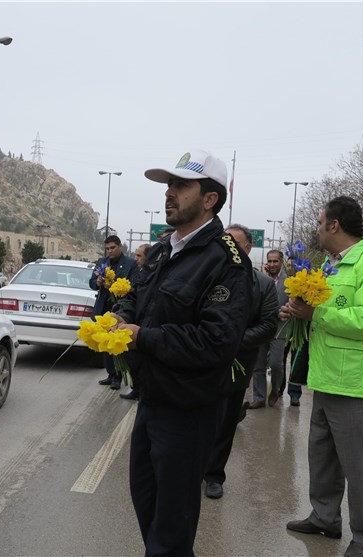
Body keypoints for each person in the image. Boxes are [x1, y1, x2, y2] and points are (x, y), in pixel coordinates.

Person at [113, 149, 252, 556]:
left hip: (188, 412)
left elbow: (216, 342)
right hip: (151, 400)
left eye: (180, 185)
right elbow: (134, 299)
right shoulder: (161, 252)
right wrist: (118, 322)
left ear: (209, 198)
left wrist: (143, 338)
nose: (168, 193)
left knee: (171, 528)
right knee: (148, 509)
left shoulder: (226, 262)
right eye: (168, 185)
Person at [282, 196, 363, 557]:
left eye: (320, 223)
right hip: (325, 376)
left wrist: (314, 315)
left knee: (358, 466)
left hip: (356, 383)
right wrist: (297, 312)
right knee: (322, 457)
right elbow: (321, 312)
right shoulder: (331, 267)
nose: (318, 229)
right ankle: (325, 517)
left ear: (334, 225)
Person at [204, 224, 277, 499]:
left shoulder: (263, 283)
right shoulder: (206, 276)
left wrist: (232, 342)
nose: (229, 248)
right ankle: (191, 467)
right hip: (202, 359)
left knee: (226, 419)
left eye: (235, 243)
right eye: (224, 242)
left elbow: (268, 325)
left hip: (238, 362)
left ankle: (214, 474)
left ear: (248, 248)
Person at [89, 235, 135, 390]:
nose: (110, 251)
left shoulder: (130, 263)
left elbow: (134, 287)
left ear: (120, 246)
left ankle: (118, 376)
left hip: (120, 310)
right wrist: (98, 282)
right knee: (105, 343)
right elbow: (91, 283)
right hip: (103, 309)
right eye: (107, 248)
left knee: (117, 344)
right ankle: (110, 374)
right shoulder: (102, 262)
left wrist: (116, 287)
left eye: (113, 248)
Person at [247, 249, 290, 409]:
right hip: (260, 327)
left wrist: (287, 309)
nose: (272, 264)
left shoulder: (290, 281)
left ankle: (276, 390)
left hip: (279, 329)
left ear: (281, 262)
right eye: (270, 261)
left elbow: (293, 303)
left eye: (275, 261)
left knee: (276, 364)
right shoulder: (259, 280)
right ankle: (259, 397)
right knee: (258, 365)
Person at [120, 243, 151, 401]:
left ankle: (141, 389)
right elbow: (133, 297)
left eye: (139, 256)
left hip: (142, 328)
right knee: (132, 361)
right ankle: (136, 388)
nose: (136, 258)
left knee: (139, 362)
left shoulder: (152, 274)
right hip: (132, 322)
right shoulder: (142, 273)